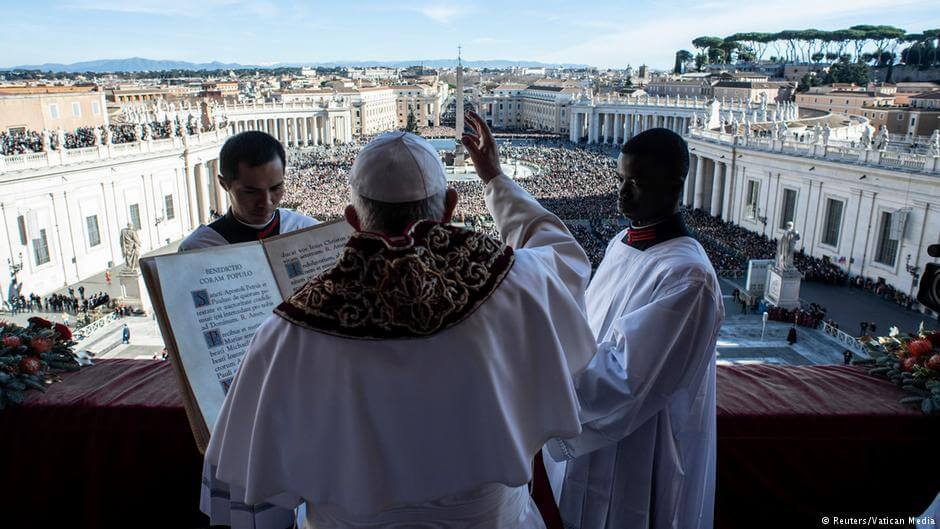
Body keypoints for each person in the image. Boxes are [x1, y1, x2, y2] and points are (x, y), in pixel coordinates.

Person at [201, 115, 596, 528]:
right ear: (449, 209)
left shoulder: (293, 327)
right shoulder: (515, 281)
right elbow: (565, 258)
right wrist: (496, 179)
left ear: (353, 219)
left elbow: (247, 463)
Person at [544, 128, 724, 529]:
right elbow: (588, 330)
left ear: (675, 186)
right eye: (621, 180)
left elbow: (625, 378)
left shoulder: (688, 277)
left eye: (638, 182)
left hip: (638, 449)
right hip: (591, 431)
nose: (623, 193)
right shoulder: (621, 242)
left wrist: (538, 379)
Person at [179, 131, 318, 251]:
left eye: (276, 188)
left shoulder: (311, 231)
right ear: (224, 184)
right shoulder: (196, 249)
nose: (266, 202)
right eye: (251, 192)